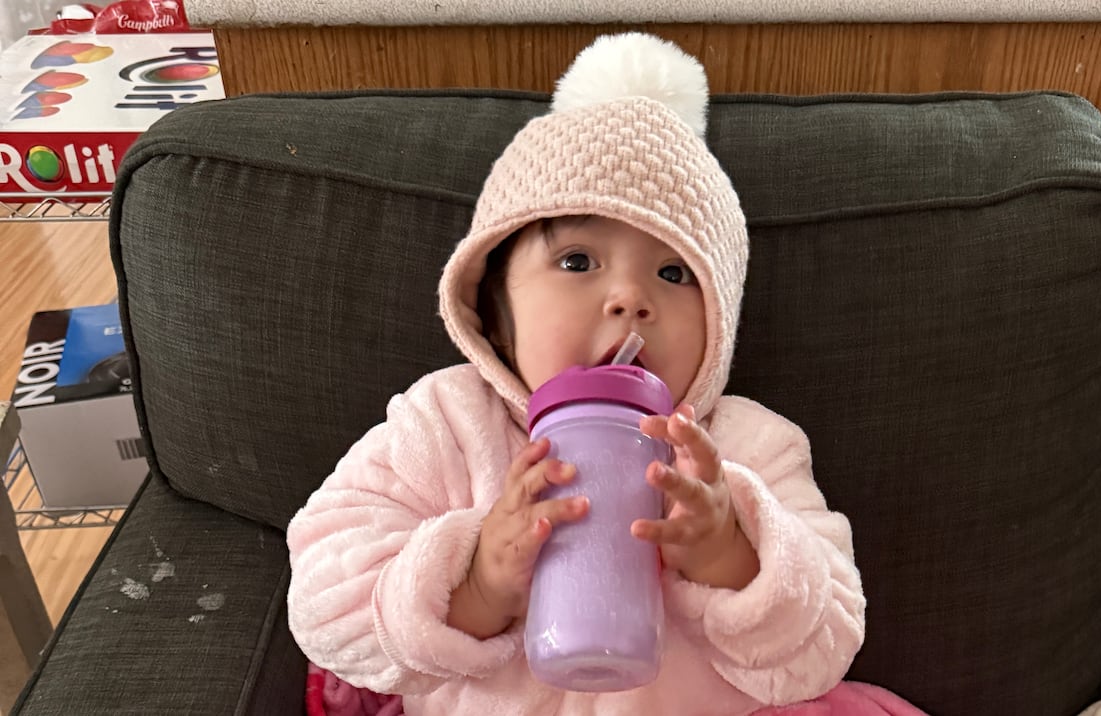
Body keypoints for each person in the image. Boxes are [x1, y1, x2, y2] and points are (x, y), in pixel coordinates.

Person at [288, 31, 925, 716]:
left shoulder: (744, 447)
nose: (630, 299)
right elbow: (325, 602)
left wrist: (735, 555)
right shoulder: (445, 423)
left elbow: (827, 641)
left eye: (673, 273)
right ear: (494, 312)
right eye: (577, 261)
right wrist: (476, 584)